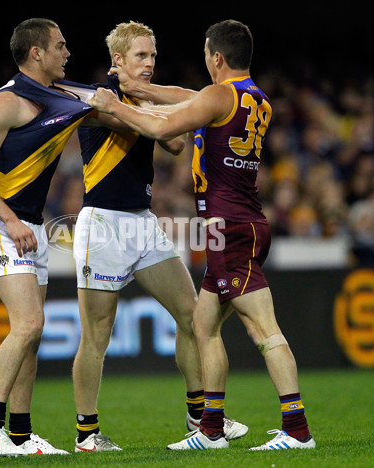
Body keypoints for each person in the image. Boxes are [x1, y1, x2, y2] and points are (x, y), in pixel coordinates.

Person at [89, 19, 315, 451]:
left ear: (216, 57)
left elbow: (161, 128)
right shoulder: (254, 98)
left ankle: (296, 429)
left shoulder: (218, 96)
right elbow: (185, 99)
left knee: (264, 330)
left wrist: (114, 105)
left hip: (229, 228)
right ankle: (210, 429)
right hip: (238, 224)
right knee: (201, 324)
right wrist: (139, 90)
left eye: (207, 56)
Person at [71, 21, 248, 453]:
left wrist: (149, 99)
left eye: (152, 56)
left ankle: (199, 417)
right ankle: (87, 434)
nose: (149, 63)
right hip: (104, 225)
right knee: (97, 335)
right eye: (141, 57)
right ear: (119, 60)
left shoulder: (136, 98)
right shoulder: (99, 98)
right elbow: (159, 131)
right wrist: (151, 107)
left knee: (191, 317)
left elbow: (173, 144)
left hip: (143, 223)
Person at [0, 17, 119, 457]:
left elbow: (108, 104)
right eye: (60, 45)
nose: (67, 52)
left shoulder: (60, 95)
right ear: (36, 52)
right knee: (29, 325)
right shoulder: (3, 103)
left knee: (30, 331)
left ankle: (20, 432)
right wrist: (9, 220)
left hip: (31, 225)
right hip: (1, 223)